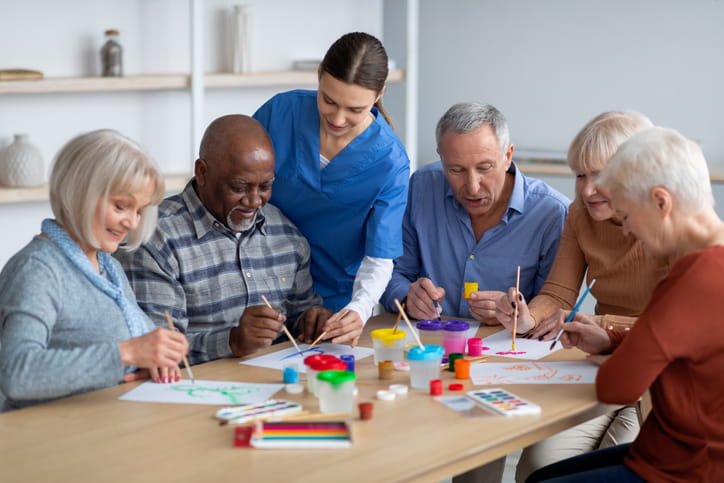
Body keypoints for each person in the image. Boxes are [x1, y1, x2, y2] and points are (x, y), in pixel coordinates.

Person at [527, 126, 724, 482]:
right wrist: (614, 341)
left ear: (662, 203)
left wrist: (615, 341)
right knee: (540, 474)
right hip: (675, 448)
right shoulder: (711, 262)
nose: (628, 230)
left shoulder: (690, 280)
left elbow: (616, 388)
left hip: (686, 467)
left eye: (629, 216)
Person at [493, 111, 671, 481]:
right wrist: (527, 317)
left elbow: (677, 329)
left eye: (601, 176)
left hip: (660, 373)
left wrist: (603, 325)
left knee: (611, 465)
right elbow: (559, 292)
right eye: (579, 175)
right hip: (602, 359)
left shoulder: (670, 225)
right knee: (537, 466)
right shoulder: (579, 213)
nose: (587, 190)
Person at [116, 115, 330, 365]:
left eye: (265, 187)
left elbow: (299, 315)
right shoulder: (153, 238)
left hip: (279, 387)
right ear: (203, 172)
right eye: (239, 187)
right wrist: (231, 341)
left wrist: (312, 321)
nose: (254, 202)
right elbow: (151, 348)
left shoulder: (285, 234)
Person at [0, 129, 189, 412]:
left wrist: (153, 361)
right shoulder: (38, 270)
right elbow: (17, 374)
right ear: (79, 193)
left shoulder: (109, 266)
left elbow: (111, 360)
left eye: (139, 211)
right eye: (121, 206)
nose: (132, 223)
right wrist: (129, 352)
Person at [253, 32, 410, 346]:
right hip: (258, 287)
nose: (338, 119)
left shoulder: (390, 162)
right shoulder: (280, 113)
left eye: (355, 109)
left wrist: (360, 308)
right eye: (328, 100)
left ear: (380, 93)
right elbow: (235, 178)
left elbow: (379, 257)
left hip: (331, 304)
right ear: (320, 75)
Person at [381, 102, 570, 325]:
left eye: (484, 168)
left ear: (508, 155)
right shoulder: (423, 186)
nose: (472, 187)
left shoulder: (552, 213)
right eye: (456, 170)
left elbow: (555, 302)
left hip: (508, 352)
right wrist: (407, 297)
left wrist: (516, 315)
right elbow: (389, 272)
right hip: (427, 345)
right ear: (441, 158)